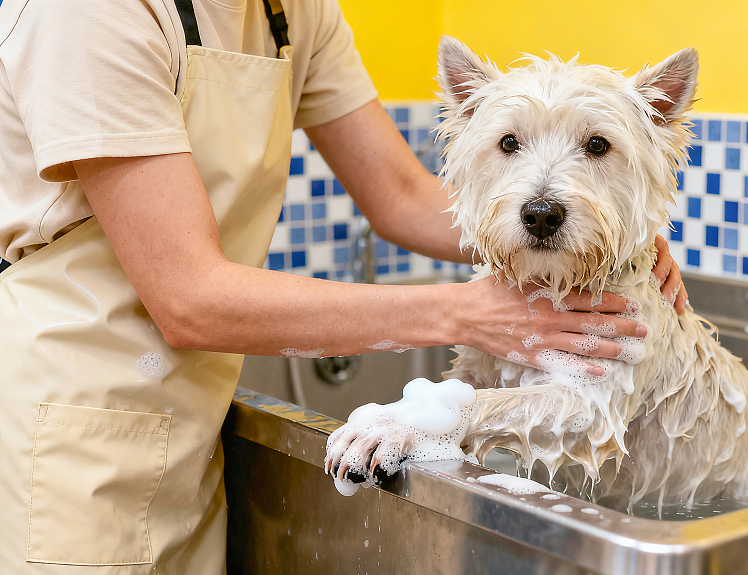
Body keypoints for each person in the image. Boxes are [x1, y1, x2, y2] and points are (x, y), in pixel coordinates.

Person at [0, 0, 686, 572]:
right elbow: (189, 298)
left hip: (193, 423)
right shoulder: (87, 13)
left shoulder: (291, 10)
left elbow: (401, 196)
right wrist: (464, 312)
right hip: (75, 427)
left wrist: (605, 236)